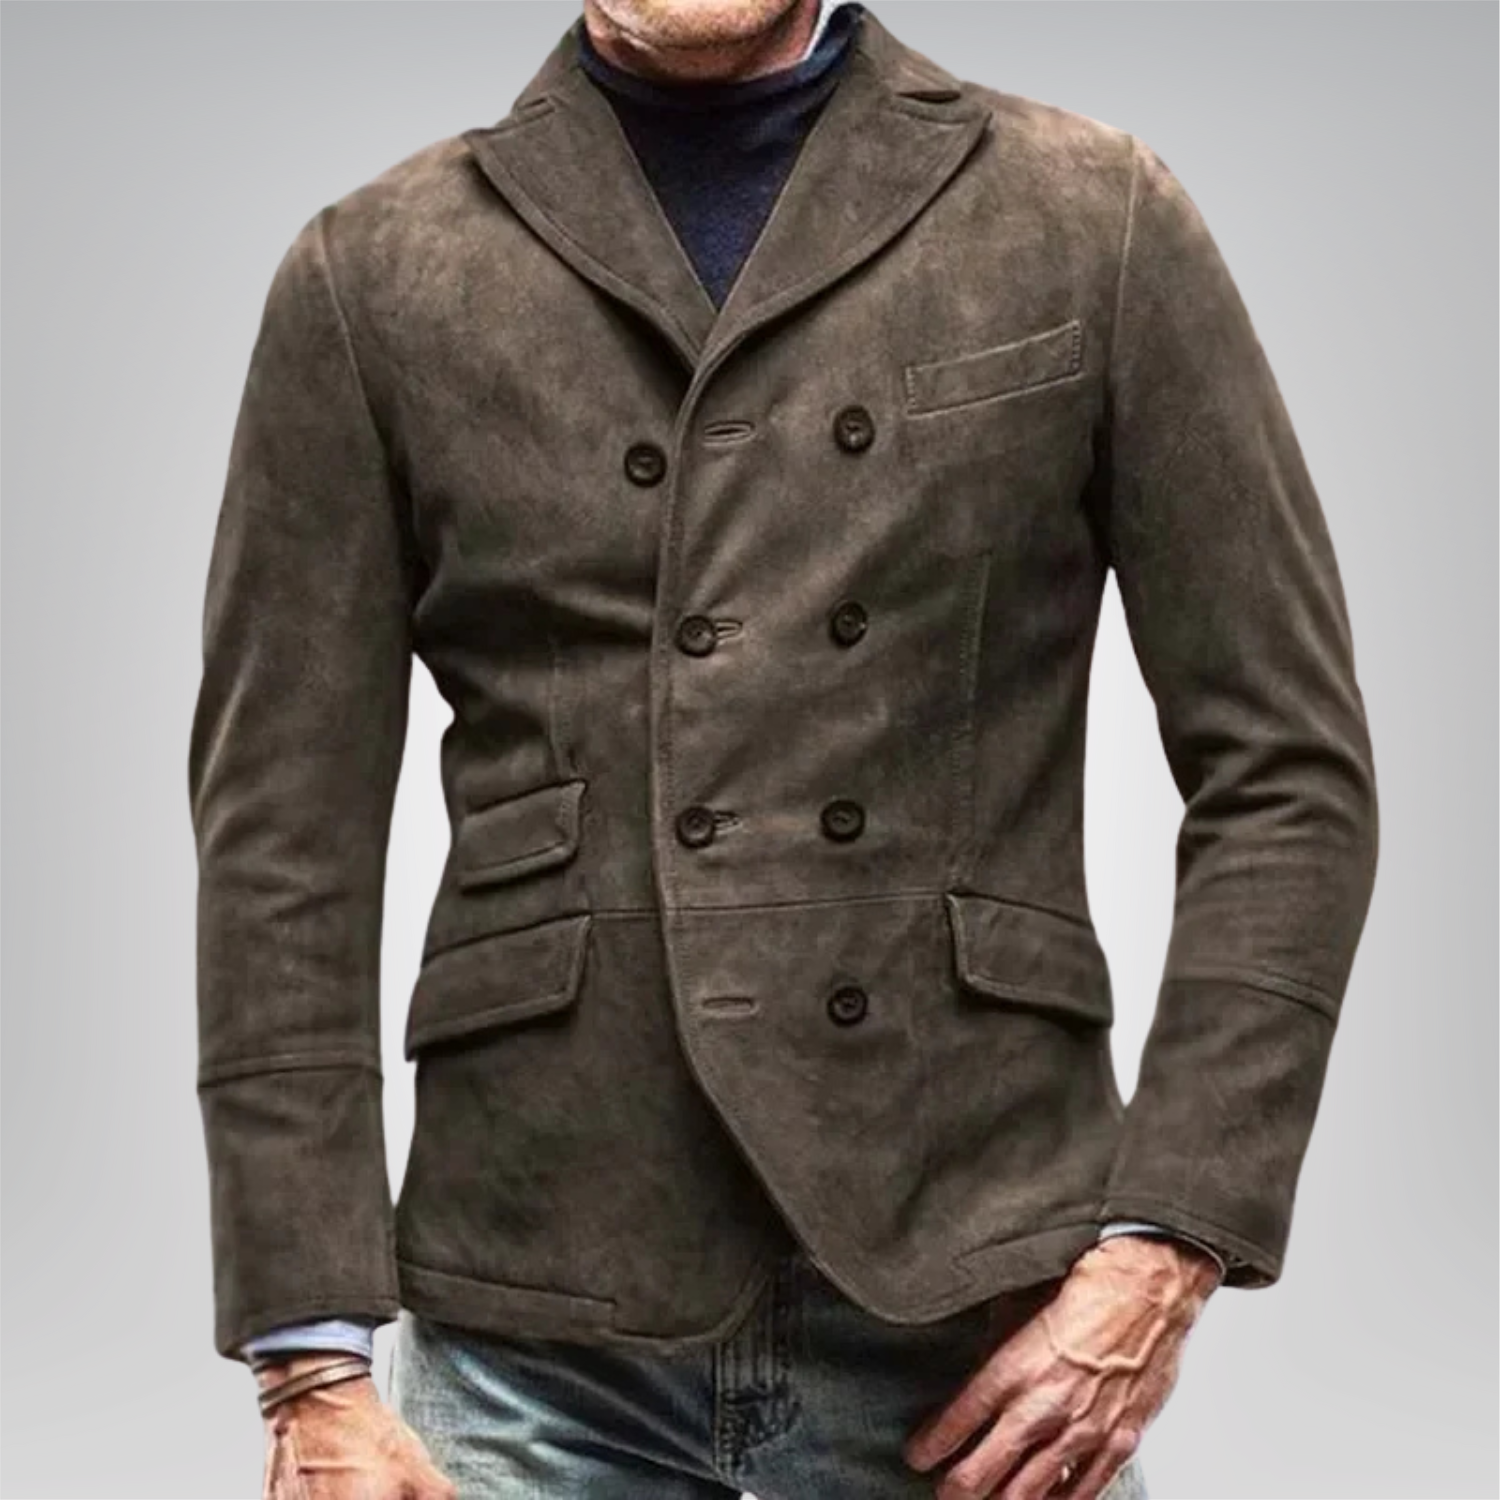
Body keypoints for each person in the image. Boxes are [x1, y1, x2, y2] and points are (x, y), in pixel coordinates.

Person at [187, 1, 1380, 1496]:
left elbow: (1288, 774)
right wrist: (309, 1369)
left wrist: (1167, 1246)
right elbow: (278, 839)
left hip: (981, 1308)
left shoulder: (1088, 213)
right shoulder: (374, 270)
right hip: (531, 1327)